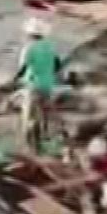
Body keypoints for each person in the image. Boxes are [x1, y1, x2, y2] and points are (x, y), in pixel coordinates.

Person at [13, 18, 64, 152]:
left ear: (30, 35)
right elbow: (57, 66)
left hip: (32, 85)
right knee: (43, 113)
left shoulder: (29, 48)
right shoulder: (50, 47)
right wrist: (54, 78)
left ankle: (30, 147)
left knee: (30, 116)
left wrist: (16, 78)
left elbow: (24, 67)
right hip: (47, 85)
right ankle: (42, 138)